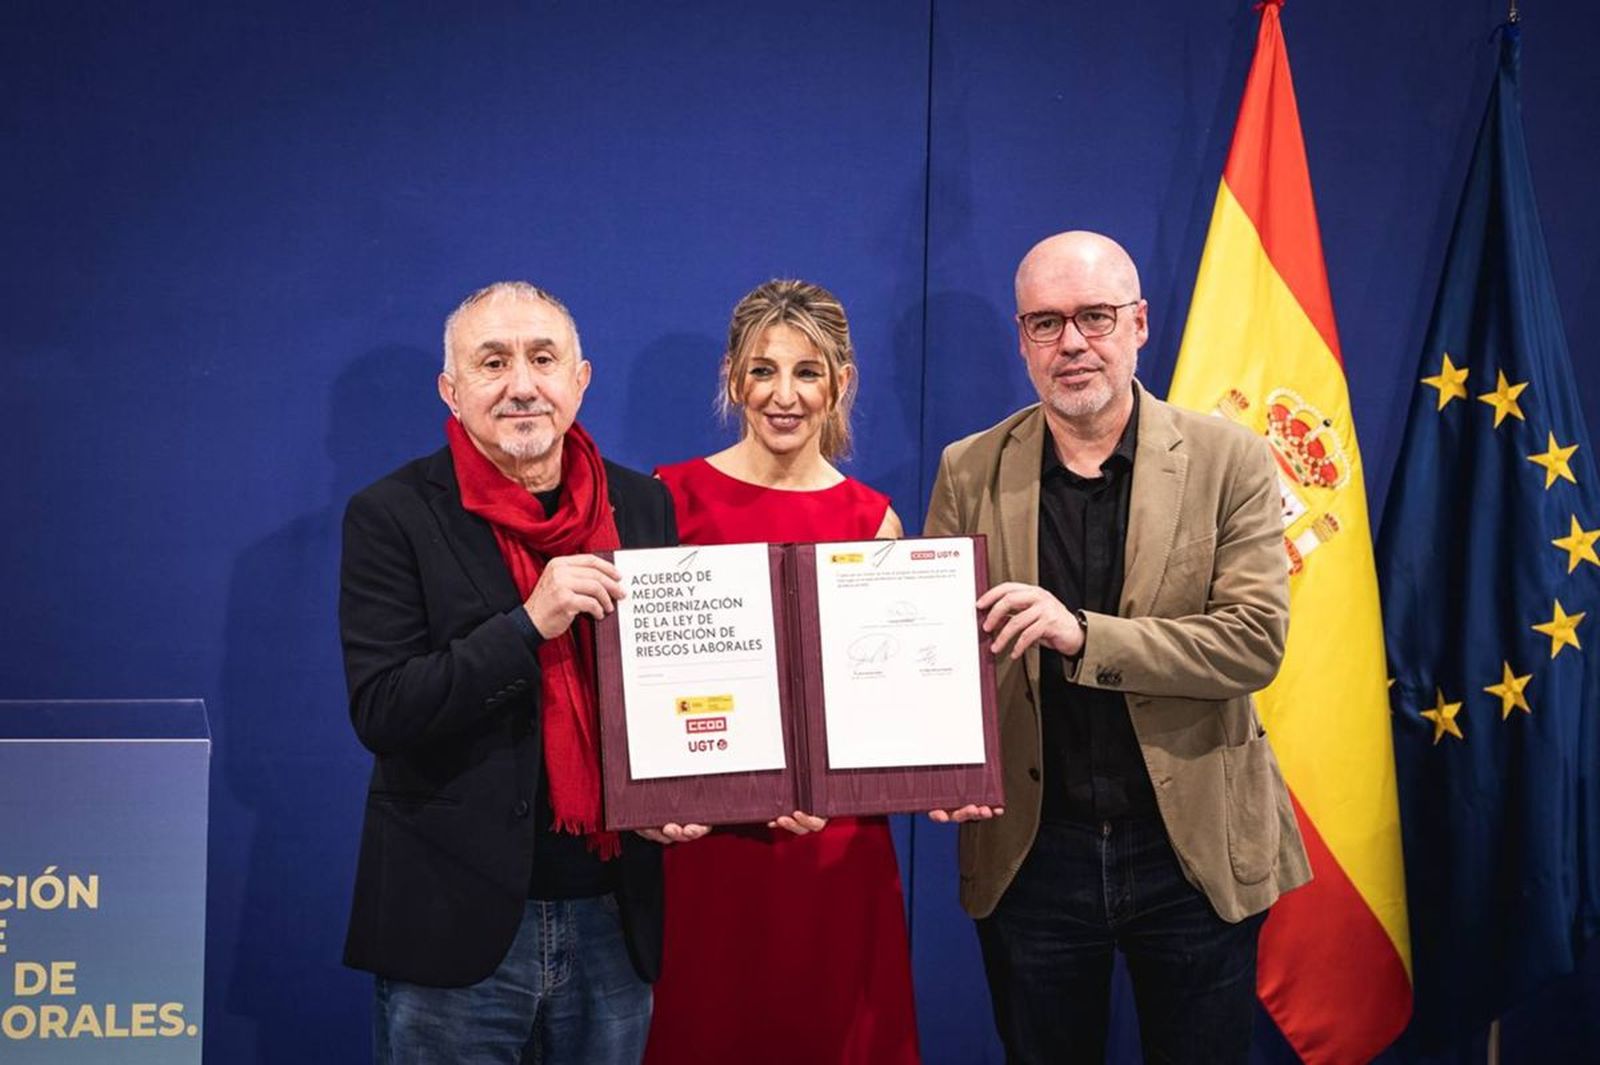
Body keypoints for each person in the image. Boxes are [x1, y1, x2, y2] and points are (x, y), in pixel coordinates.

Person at [924, 232, 1311, 1064]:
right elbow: (940, 649)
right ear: (1022, 340)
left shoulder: (1231, 460)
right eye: (1046, 322)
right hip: (1033, 851)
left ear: (1140, 323)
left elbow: (1252, 642)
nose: (1071, 342)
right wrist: (941, 763)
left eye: (1094, 317)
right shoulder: (969, 468)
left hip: (1190, 844)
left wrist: (1083, 634)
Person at [339, 281, 705, 1064]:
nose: (522, 384)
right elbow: (384, 708)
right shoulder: (392, 514)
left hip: (612, 914)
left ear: (580, 378)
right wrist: (528, 624)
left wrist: (672, 791)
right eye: (493, 362)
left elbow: (665, 685)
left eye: (543, 358)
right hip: (454, 923)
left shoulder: (642, 505)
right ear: (451, 389)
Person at [644, 280, 921, 1064]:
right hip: (707, 844)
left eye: (808, 371)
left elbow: (886, 700)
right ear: (733, 378)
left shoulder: (873, 520)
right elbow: (644, 685)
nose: (784, 395)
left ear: (842, 382)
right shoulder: (668, 498)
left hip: (834, 844)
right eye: (763, 370)